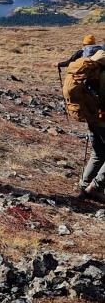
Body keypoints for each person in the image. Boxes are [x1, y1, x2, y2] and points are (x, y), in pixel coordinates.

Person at [57, 37, 105, 198]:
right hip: (102, 116)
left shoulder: (92, 64)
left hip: (91, 114)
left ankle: (85, 186)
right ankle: (96, 187)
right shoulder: (100, 69)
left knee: (98, 152)